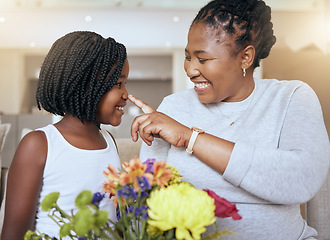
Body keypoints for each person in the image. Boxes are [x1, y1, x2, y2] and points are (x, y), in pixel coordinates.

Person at [128, 0, 330, 239]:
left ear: (245, 57)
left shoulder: (292, 97)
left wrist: (189, 138)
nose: (191, 70)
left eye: (203, 60)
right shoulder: (173, 107)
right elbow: (148, 199)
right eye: (187, 57)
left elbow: (301, 180)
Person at [1, 31, 128, 239]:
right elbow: (14, 234)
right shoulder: (39, 144)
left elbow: (116, 218)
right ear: (86, 85)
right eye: (118, 84)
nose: (126, 94)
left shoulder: (109, 141)